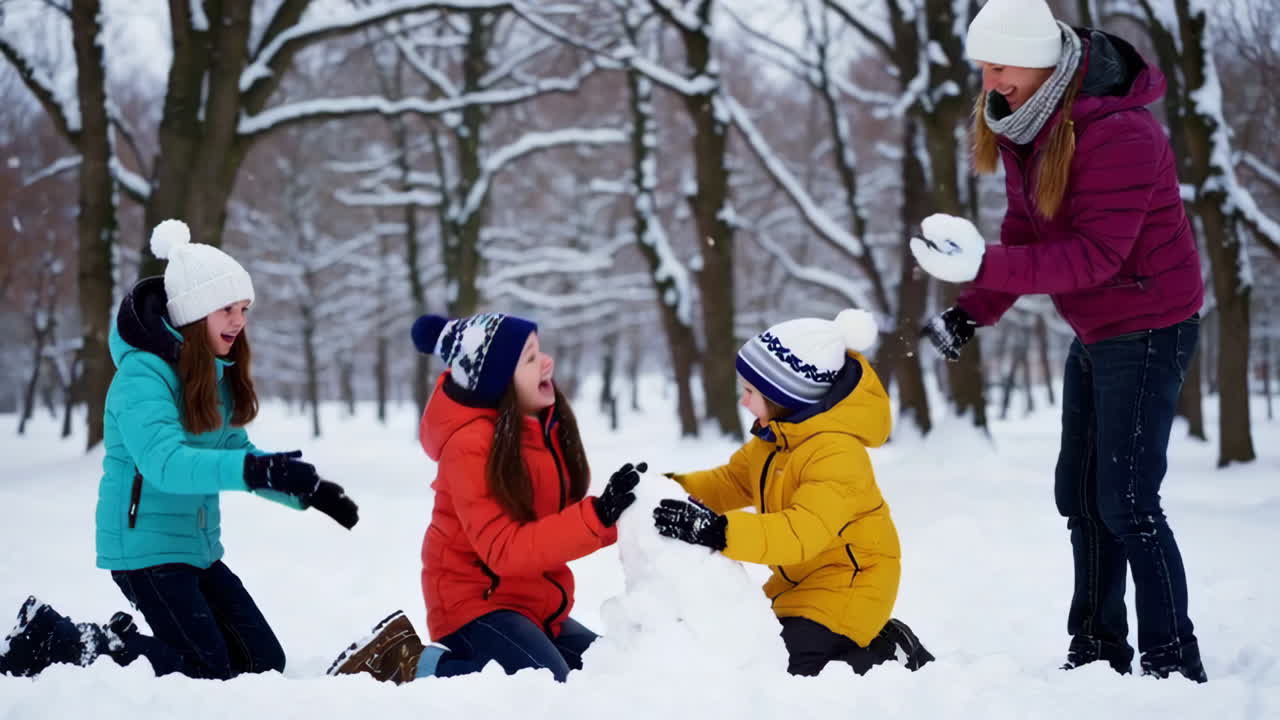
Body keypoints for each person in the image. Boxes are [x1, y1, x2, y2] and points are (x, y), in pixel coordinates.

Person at [909, 0, 1205, 682]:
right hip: (1098, 326)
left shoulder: (1120, 133)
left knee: (1127, 501)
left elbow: (1097, 255)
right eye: (983, 66)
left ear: (1043, 61)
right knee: (1079, 494)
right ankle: (1098, 648)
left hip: (1148, 322)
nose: (990, 80)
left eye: (1001, 65)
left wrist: (982, 264)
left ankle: (1172, 662)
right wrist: (972, 309)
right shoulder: (1029, 126)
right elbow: (1025, 233)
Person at [0, 219, 358, 680]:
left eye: (245, 308)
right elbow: (166, 464)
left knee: (262, 664)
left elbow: (234, 448)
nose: (239, 321)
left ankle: (127, 646)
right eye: (227, 308)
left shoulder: (213, 376)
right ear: (193, 312)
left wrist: (307, 491)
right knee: (204, 669)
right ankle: (59, 640)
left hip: (199, 548)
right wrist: (255, 471)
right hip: (144, 549)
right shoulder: (141, 378)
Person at [329, 312, 642, 684]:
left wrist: (622, 510)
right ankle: (405, 663)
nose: (546, 362)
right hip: (474, 601)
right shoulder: (470, 446)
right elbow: (504, 549)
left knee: (612, 670)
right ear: (498, 381)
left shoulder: (543, 427)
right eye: (529, 358)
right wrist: (596, 517)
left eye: (539, 351)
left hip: (534, 602)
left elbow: (556, 522)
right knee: (544, 681)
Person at [653, 310, 934, 677]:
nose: (743, 402)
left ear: (787, 396)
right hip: (796, 581)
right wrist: (663, 488)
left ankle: (888, 648)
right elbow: (729, 483)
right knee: (751, 647)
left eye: (751, 392)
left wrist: (718, 532)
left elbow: (801, 532)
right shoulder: (776, 440)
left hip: (850, 582)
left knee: (791, 671)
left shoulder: (836, 454)